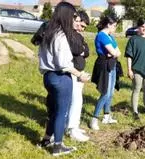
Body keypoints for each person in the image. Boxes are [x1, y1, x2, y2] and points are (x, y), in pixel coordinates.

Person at [37, 2, 86, 156]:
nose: (74, 20)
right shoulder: (60, 35)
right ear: (66, 16)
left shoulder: (47, 32)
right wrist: (80, 75)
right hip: (60, 78)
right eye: (73, 17)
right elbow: (64, 64)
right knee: (61, 112)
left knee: (53, 111)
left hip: (48, 77)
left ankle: (46, 139)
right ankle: (58, 146)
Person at [90, 16, 121, 130]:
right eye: (114, 26)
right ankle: (94, 118)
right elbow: (114, 51)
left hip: (112, 64)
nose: (115, 28)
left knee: (111, 92)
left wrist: (113, 54)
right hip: (104, 65)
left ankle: (107, 116)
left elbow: (118, 52)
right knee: (105, 93)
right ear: (108, 24)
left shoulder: (110, 37)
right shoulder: (101, 36)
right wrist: (113, 53)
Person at [124, 19, 145, 120]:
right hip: (137, 69)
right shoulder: (133, 40)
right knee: (136, 89)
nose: (144, 29)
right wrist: (129, 69)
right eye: (142, 27)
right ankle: (135, 111)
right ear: (138, 28)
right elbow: (129, 56)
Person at [66, 10, 90, 142]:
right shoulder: (69, 34)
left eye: (84, 28)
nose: (81, 29)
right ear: (77, 20)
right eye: (81, 25)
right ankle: (72, 129)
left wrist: (81, 49)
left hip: (80, 73)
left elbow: (86, 51)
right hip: (72, 72)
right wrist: (80, 50)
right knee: (75, 100)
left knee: (78, 100)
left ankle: (74, 125)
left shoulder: (79, 35)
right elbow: (75, 49)